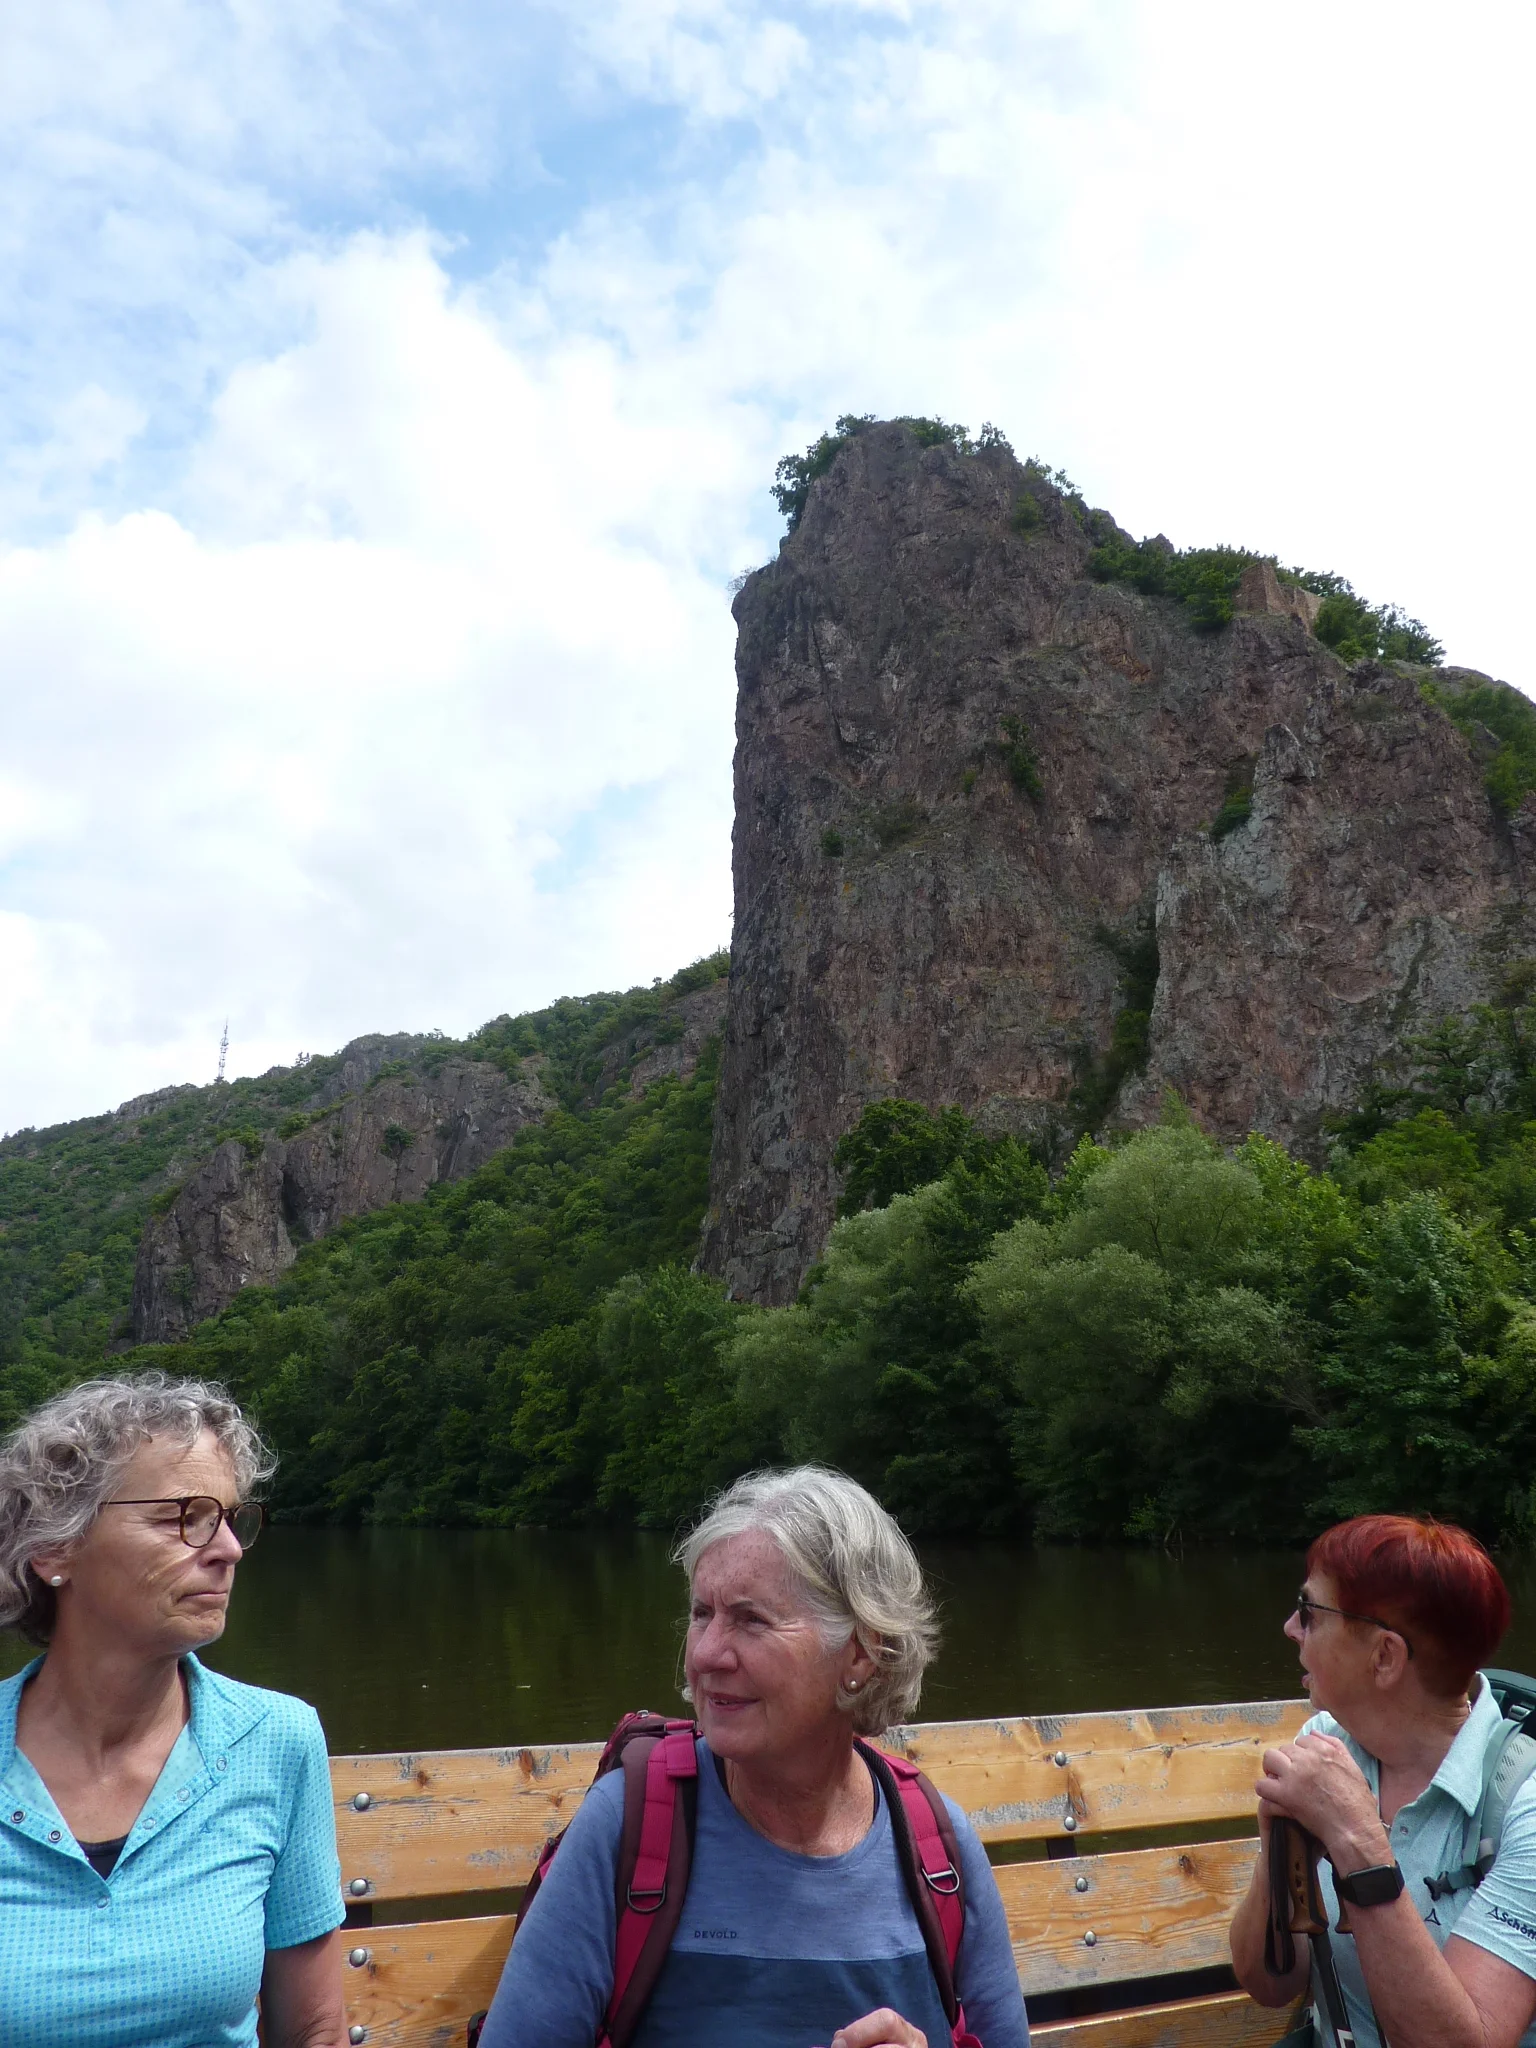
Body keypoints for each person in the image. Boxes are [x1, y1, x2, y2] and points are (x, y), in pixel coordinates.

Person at [480, 1465, 1028, 2048]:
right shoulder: (630, 1830)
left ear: (863, 1655)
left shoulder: (936, 1851)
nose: (708, 1652)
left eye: (751, 1620)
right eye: (700, 1614)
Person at [0, 1371, 347, 2048]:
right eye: (183, 1518)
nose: (228, 1550)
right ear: (53, 1549)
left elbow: (314, 2032)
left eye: (230, 1519)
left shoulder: (276, 1740)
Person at [1230, 1513, 1536, 2048]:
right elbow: (1272, 1984)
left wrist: (1357, 1843)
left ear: (1385, 1656)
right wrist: (1274, 1850)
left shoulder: (1523, 1806)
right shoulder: (1328, 1739)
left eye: (1310, 1612)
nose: (1290, 1628)